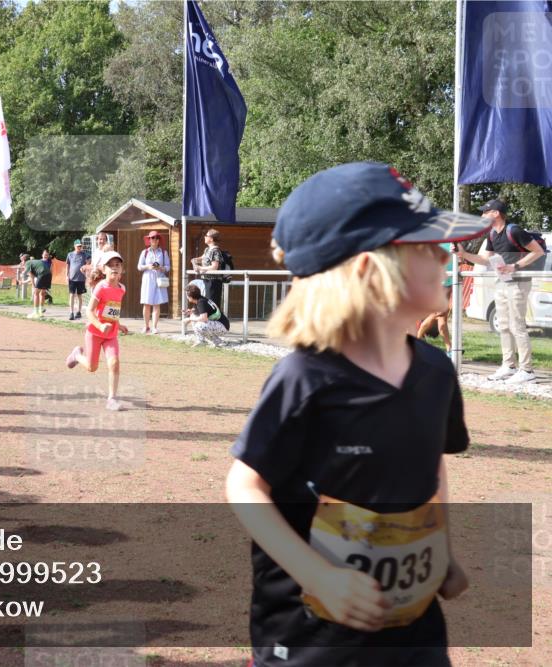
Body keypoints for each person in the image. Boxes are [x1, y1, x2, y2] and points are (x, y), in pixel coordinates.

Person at [225, 162, 481, 667]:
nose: (448, 261)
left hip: (414, 631)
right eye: (428, 248)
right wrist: (319, 575)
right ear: (369, 271)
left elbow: (434, 467)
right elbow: (244, 486)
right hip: (312, 638)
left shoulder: (435, 372)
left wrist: (440, 548)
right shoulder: (305, 378)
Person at [456, 199, 546, 384]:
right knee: (503, 325)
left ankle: (526, 370)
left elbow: (538, 251)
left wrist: (515, 266)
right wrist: (464, 255)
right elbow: (486, 260)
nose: (482, 216)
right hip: (502, 282)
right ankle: (508, 365)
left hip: (519, 282)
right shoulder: (491, 235)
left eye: (485, 212)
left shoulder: (514, 230)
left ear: (496, 213)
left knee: (517, 325)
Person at [65, 251, 129, 411]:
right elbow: (89, 312)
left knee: (114, 363)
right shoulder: (101, 287)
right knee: (91, 368)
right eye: (111, 265)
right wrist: (100, 326)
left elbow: (112, 309)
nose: (115, 267)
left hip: (111, 334)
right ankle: (77, 355)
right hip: (95, 332)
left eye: (118, 265)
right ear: (104, 269)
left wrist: (118, 324)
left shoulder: (122, 289)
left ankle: (112, 399)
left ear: (122, 270)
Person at [137, 230, 171, 333]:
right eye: (152, 238)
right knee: (146, 303)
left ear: (159, 240)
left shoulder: (164, 252)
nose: (154, 240)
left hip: (159, 278)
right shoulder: (145, 252)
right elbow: (139, 266)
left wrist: (161, 268)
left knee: (157, 303)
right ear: (149, 239)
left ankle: (154, 327)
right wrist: (148, 266)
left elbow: (168, 267)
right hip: (148, 278)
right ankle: (146, 326)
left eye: (156, 238)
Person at [191, 229, 228, 307]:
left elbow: (214, 267)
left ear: (211, 239)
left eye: (206, 236)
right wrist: (195, 260)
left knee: (212, 305)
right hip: (206, 280)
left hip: (213, 282)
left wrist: (200, 267)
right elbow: (202, 258)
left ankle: (215, 319)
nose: (204, 237)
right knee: (207, 304)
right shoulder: (207, 249)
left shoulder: (215, 251)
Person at [65, 240, 91, 320]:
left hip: (81, 278)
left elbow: (89, 261)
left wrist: (88, 262)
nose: (79, 247)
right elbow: (67, 265)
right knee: (72, 295)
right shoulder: (70, 254)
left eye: (80, 246)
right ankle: (71, 312)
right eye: (78, 246)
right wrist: (66, 275)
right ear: (74, 246)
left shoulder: (84, 254)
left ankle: (79, 312)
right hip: (72, 278)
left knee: (80, 295)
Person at [25, 250, 53, 318]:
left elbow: (31, 276)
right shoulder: (36, 261)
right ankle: (40, 311)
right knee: (42, 293)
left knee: (36, 293)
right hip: (48, 275)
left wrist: (34, 286)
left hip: (43, 274)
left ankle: (35, 312)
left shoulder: (28, 263)